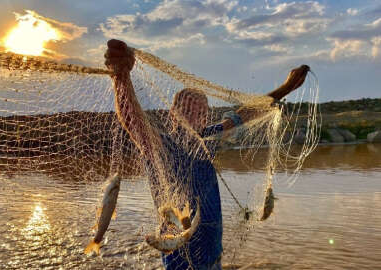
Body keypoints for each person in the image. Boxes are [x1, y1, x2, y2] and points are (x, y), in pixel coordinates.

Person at [104, 39, 309, 270]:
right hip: (180, 260)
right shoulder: (161, 145)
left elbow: (246, 113)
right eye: (189, 110)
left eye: (203, 112)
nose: (197, 117)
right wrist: (121, 77)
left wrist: (287, 87)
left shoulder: (207, 140)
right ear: (173, 114)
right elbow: (133, 120)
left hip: (213, 257)